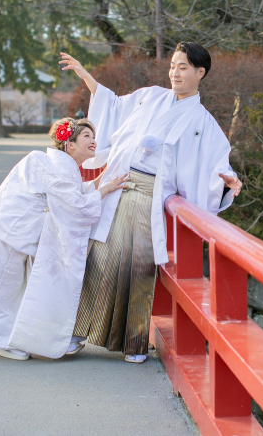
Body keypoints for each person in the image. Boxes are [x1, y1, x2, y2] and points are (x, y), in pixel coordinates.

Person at [58, 42, 243, 363]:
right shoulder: (151, 96)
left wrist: (227, 179)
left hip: (150, 195)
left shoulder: (203, 122)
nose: (175, 72)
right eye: (173, 65)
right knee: (98, 260)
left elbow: (216, 161)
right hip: (119, 185)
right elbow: (113, 106)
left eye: (183, 67)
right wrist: (87, 77)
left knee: (140, 268)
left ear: (200, 73)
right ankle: (77, 333)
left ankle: (133, 342)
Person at [0, 118, 130, 360]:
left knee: (8, 290)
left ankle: (6, 341)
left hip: (12, 232)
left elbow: (71, 194)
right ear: (69, 144)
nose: (94, 140)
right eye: (86, 136)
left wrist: (100, 182)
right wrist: (104, 189)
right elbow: (75, 205)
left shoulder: (55, 164)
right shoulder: (56, 167)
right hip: (7, 233)